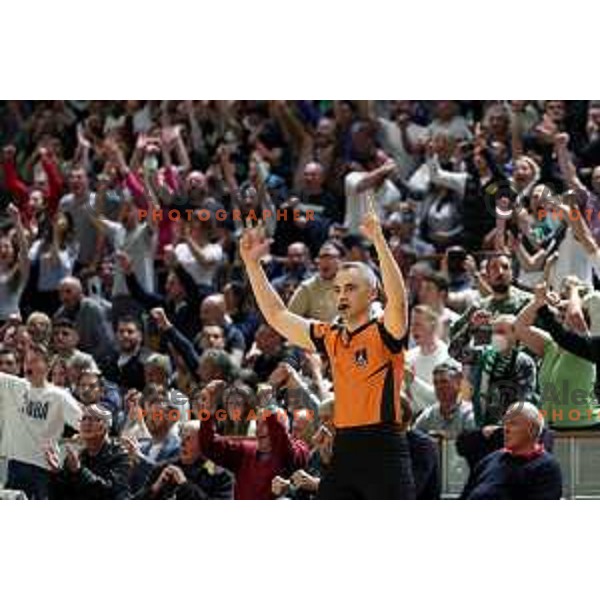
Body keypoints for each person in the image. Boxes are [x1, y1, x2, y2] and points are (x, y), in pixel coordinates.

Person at [239, 193, 415, 499]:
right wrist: (253, 266)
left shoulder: (386, 331)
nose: (341, 294)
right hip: (343, 444)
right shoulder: (330, 336)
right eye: (337, 289)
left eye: (350, 287)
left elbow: (399, 300)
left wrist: (378, 240)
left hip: (383, 447)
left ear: (373, 294)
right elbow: (278, 316)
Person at [0, 343, 82, 499]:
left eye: (34, 361)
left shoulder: (59, 396)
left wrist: (76, 441)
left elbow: (84, 423)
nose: (28, 365)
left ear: (48, 365)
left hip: (43, 469)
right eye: (26, 361)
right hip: (15, 464)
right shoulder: (12, 385)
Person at [199, 407, 309, 499]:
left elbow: (282, 444)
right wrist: (207, 412)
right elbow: (209, 446)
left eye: (265, 424)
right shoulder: (245, 449)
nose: (258, 430)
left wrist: (270, 416)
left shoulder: (298, 448)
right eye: (257, 424)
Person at [461, 402, 562, 500]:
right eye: (505, 423)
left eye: (513, 423)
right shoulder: (490, 459)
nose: (506, 429)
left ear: (532, 429)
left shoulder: (546, 467)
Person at [46, 403, 130, 500]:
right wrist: (56, 474)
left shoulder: (120, 455)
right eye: (84, 419)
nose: (86, 423)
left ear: (106, 426)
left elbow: (108, 493)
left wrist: (80, 471)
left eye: (93, 419)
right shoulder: (78, 457)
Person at [136, 420, 234, 500]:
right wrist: (155, 488)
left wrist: (184, 485)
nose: (182, 443)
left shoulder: (220, 476)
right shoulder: (162, 468)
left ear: (203, 443)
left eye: (188, 439)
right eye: (181, 437)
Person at [415, 361, 476, 437]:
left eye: (444, 382)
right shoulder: (428, 416)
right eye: (436, 383)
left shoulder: (469, 414)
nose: (439, 387)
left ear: (458, 383)